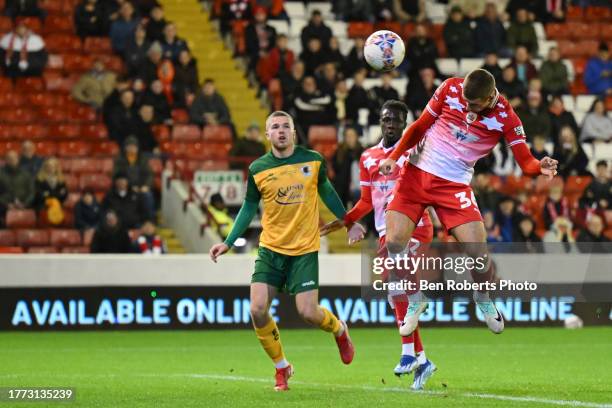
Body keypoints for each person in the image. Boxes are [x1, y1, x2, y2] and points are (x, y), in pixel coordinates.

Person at [378, 69, 558, 335]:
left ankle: (483, 298)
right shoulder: (451, 88)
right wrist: (394, 155)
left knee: (478, 253)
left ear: (488, 99)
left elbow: (525, 160)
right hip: (415, 175)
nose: (466, 106)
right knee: (394, 242)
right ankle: (416, 299)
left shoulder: (506, 118)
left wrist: (538, 165)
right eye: (465, 99)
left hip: (453, 185)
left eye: (473, 104)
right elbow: (419, 126)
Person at [209, 111, 364, 391]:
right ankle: (282, 368)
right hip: (271, 249)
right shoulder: (258, 168)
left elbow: (327, 192)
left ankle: (339, 330)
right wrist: (228, 242)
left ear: (293, 133)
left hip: (304, 249)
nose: (280, 131)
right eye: (275, 127)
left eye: (285, 127)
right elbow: (248, 207)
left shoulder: (313, 160)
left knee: (308, 312)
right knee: (257, 309)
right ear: (267, 135)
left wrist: (349, 222)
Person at [321, 100, 436, 390]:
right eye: (387, 119)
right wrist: (344, 220)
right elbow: (365, 201)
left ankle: (409, 352)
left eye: (397, 120)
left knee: (397, 284)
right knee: (395, 291)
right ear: (379, 121)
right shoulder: (368, 158)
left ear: (405, 123)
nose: (391, 124)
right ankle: (421, 360)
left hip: (415, 225)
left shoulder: (415, 151)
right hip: (387, 230)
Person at [113, 136, 155, 220]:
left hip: (141, 187)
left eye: (134, 146)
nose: (132, 148)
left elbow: (149, 174)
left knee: (148, 196)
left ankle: (150, 221)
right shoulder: (119, 159)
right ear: (125, 147)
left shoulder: (143, 158)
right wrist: (130, 187)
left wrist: (146, 186)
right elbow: (117, 176)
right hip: (126, 188)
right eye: (130, 146)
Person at [331, 127, 363, 206]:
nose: (350, 139)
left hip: (358, 186)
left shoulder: (361, 150)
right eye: (347, 136)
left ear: (356, 137)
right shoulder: (339, 151)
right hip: (342, 185)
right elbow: (336, 168)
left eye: (352, 136)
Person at [0, 150, 34, 222]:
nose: (12, 160)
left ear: (18, 159)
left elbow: (31, 192)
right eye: (9, 158)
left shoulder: (26, 174)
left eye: (14, 158)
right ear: (5, 160)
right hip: (3, 208)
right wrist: (6, 204)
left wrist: (24, 204)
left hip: (24, 206)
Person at [33, 158, 67, 225]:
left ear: (56, 167)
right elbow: (39, 194)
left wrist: (48, 193)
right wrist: (57, 194)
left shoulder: (61, 180)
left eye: (53, 166)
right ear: (45, 167)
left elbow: (64, 194)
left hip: (58, 204)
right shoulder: (39, 179)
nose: (51, 168)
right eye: (49, 166)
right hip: (43, 204)